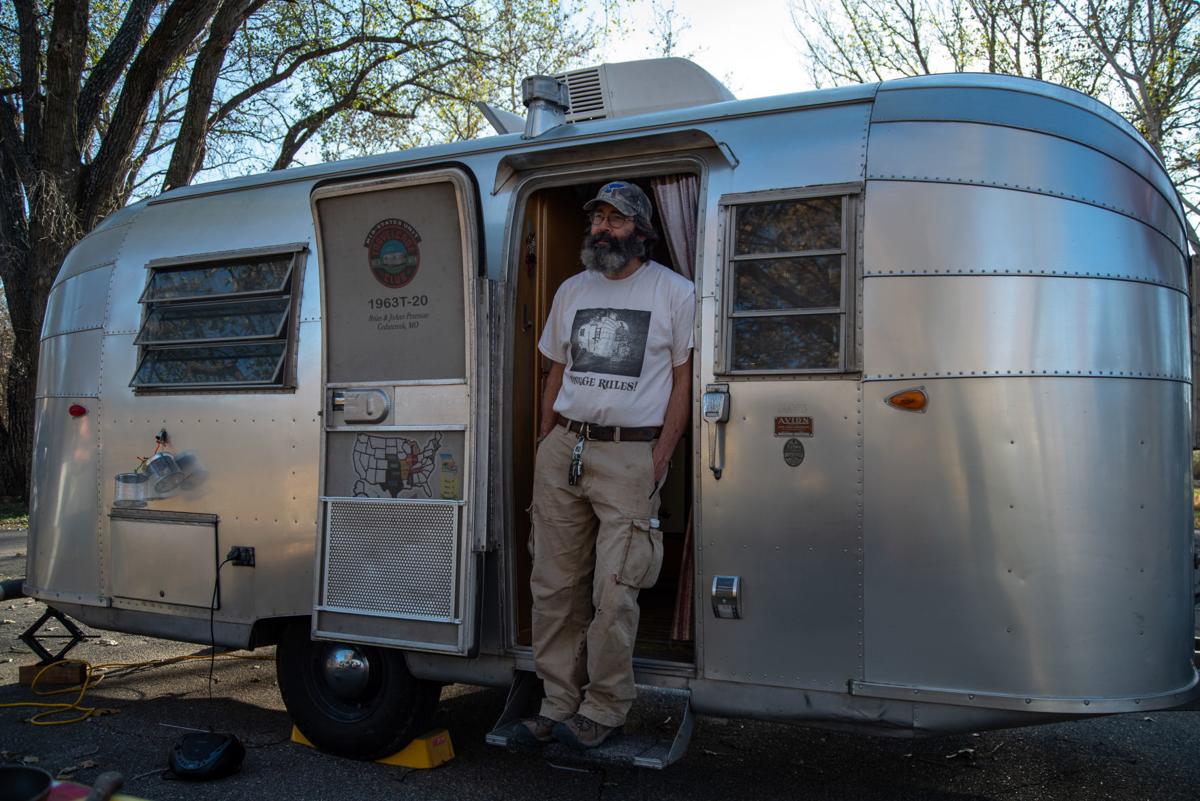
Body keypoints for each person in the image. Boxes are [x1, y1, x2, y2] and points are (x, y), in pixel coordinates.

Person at [515, 180, 695, 750]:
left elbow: (686, 380)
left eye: (616, 221)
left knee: (615, 589)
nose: (602, 229)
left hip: (632, 453)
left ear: (641, 232)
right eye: (598, 219)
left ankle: (606, 706)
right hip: (564, 446)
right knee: (552, 586)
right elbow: (554, 371)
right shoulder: (570, 290)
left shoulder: (675, 292)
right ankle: (556, 703)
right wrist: (546, 437)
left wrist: (661, 453)